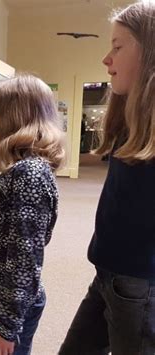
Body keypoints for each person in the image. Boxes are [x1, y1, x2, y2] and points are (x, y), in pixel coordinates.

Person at [59, 1, 155, 354]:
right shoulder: (132, 121)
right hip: (108, 275)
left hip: (139, 284)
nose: (106, 58)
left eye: (117, 46)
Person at [0, 74, 65, 355]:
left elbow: (25, 261)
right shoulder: (16, 172)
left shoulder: (29, 176)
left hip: (6, 306)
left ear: (11, 119)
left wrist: (7, 329)